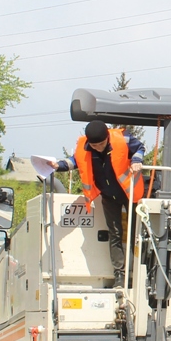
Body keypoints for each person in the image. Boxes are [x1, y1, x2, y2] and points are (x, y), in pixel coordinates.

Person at [55, 121, 145, 288]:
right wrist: (56, 165)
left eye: (101, 144)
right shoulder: (85, 147)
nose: (98, 148)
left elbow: (140, 147)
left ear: (107, 138)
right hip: (108, 196)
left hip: (129, 194)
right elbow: (73, 161)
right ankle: (120, 275)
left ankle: (141, 274)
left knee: (136, 234)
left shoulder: (123, 139)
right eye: (94, 145)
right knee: (115, 234)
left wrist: (136, 160)